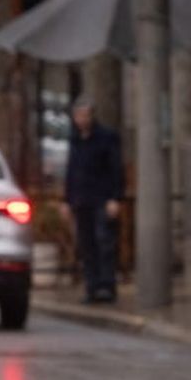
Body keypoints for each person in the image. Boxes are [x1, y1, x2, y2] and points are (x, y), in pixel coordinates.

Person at [62, 96, 124, 304]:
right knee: (86, 244)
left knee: (104, 241)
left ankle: (107, 285)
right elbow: (71, 170)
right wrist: (67, 199)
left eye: (85, 115)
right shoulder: (75, 140)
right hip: (82, 198)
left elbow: (116, 169)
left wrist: (115, 197)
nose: (81, 120)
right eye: (78, 116)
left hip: (102, 197)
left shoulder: (106, 138)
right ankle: (92, 286)